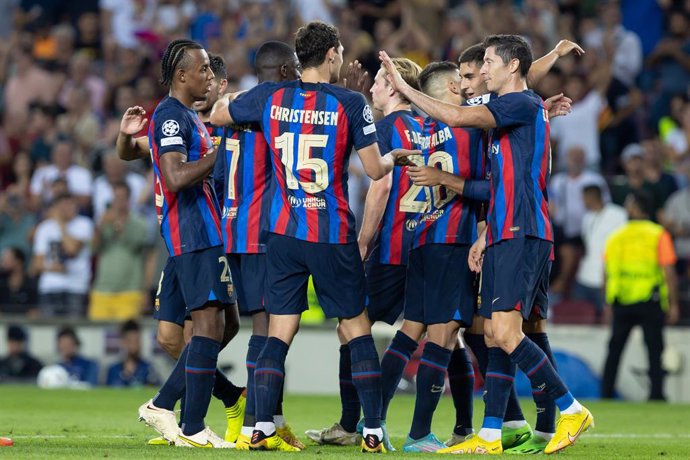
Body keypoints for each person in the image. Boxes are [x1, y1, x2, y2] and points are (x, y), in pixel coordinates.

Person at [379, 34, 593, 455]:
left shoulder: (517, 104)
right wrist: (484, 233)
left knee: (506, 332)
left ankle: (570, 409)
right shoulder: (513, 109)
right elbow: (490, 175)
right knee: (496, 334)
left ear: (510, 67)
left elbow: (460, 119)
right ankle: (493, 433)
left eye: (489, 62)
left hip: (520, 228)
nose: (482, 71)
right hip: (502, 229)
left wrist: (405, 91)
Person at [210, 21, 411, 453]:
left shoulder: (270, 96)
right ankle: (372, 430)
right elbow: (376, 171)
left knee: (278, 333)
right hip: (332, 232)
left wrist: (233, 100)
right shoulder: (350, 102)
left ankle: (260, 425)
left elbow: (219, 113)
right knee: (356, 329)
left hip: (283, 232)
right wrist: (394, 154)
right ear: (334, 54)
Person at [116, 54, 250, 447]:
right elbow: (168, 173)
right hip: (188, 234)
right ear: (182, 75)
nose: (210, 78)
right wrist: (218, 153)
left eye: (213, 73)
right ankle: (180, 414)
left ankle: (189, 416)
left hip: (203, 232)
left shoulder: (198, 123)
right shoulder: (174, 119)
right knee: (182, 335)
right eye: (204, 70)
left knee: (220, 325)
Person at [306, 57, 425, 450]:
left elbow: (381, 186)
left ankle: (358, 423)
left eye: (377, 82)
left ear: (393, 87)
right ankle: (464, 425)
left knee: (352, 329)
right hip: (424, 244)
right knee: (442, 333)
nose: (372, 88)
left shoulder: (388, 127)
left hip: (390, 247)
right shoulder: (425, 128)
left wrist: (362, 241)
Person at [210, 41, 304, 450]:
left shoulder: (235, 109)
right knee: (270, 328)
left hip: (232, 230)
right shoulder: (275, 106)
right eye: (297, 66)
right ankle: (256, 423)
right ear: (285, 69)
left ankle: (271, 419)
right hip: (264, 233)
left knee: (263, 327)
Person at [602, 190, 680, 401]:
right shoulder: (658, 234)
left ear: (636, 206)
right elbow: (668, 272)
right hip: (649, 299)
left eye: (629, 203)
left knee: (614, 350)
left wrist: (607, 303)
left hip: (621, 299)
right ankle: (656, 395)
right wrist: (673, 304)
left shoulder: (616, 236)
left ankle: (606, 393)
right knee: (655, 351)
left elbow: (607, 271)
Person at [89, 182, 152, 321]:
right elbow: (93, 248)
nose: (119, 202)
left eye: (122, 198)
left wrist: (117, 224)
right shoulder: (104, 221)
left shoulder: (139, 223)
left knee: (126, 335)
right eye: (116, 198)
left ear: (129, 200)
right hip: (102, 290)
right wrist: (100, 226)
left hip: (130, 291)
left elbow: (135, 245)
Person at [31, 193, 94, 318]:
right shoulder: (45, 227)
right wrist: (52, 268)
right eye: (62, 205)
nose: (66, 209)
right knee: (48, 332)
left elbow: (71, 249)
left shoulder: (84, 224)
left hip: (76, 287)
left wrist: (60, 224)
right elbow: (36, 264)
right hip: (50, 287)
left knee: (74, 330)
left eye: (69, 205)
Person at [572, 185, 627, 319]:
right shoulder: (587, 217)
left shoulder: (618, 214)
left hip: (606, 277)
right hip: (584, 277)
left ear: (591, 197)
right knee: (579, 318)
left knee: (606, 319)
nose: (582, 201)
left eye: (583, 198)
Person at [106, 320, 159, 387]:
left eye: (136, 341)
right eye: (130, 341)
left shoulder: (148, 369)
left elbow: (156, 391)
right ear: (123, 342)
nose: (134, 346)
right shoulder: (113, 370)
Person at [0, 247, 38, 316]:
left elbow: (35, 311)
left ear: (18, 262)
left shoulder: (31, 284)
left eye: (6, 259)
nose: (2, 262)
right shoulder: (2, 284)